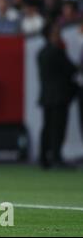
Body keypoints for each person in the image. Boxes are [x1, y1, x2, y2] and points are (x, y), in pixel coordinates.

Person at [38, 23, 78, 169]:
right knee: (58, 129)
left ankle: (44, 158)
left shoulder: (41, 52)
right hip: (59, 96)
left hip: (46, 96)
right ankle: (56, 158)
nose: (59, 35)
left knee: (47, 128)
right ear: (50, 35)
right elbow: (71, 70)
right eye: (56, 33)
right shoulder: (58, 52)